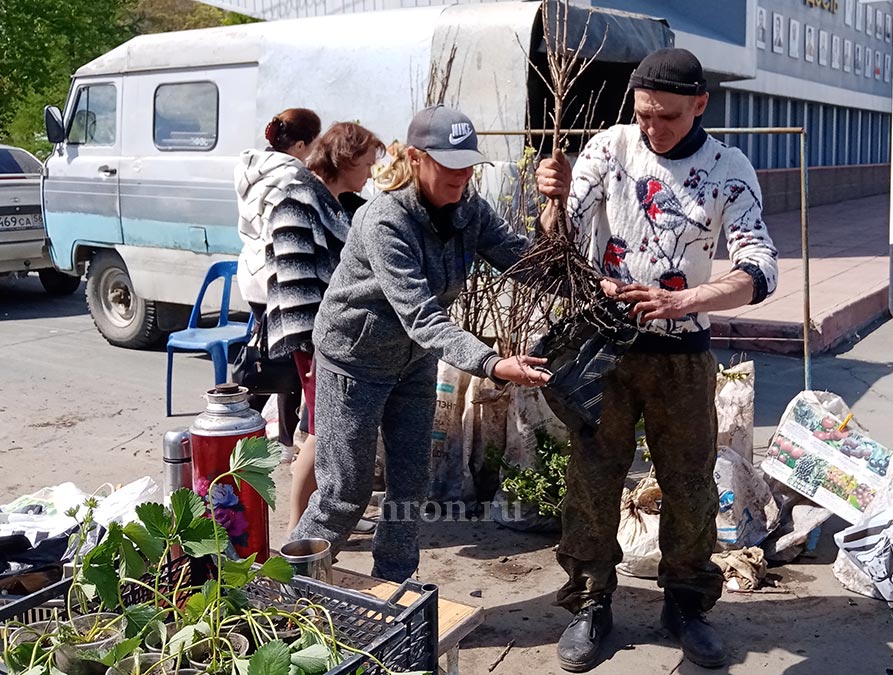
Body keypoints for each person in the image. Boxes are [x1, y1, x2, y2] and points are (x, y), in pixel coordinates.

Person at [535, 48, 778, 671]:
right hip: (603, 348)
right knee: (592, 476)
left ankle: (687, 605)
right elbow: (555, 241)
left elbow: (760, 266)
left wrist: (690, 299)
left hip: (682, 356)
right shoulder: (608, 148)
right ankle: (590, 603)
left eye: (667, 116)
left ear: (700, 105)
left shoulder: (729, 168)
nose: (653, 128)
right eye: (644, 114)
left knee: (691, 484)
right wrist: (550, 200)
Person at [288, 105, 552, 582]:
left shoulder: (469, 210)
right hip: (354, 361)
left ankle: (395, 584)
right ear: (415, 157)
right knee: (344, 493)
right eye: (450, 165)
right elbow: (423, 316)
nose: (462, 176)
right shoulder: (385, 220)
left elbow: (522, 259)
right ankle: (298, 594)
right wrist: (492, 364)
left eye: (469, 164)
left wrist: (592, 285)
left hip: (412, 363)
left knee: (411, 485)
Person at [261, 122, 386, 532]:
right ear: (345, 159)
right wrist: (317, 349)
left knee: (320, 432)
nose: (370, 172)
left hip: (331, 339)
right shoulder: (297, 197)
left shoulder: (334, 201)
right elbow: (295, 281)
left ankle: (323, 521)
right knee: (319, 434)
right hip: (315, 340)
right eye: (366, 163)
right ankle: (300, 539)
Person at [235, 107, 321, 460]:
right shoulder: (292, 176)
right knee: (290, 359)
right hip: (278, 274)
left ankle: (247, 427)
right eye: (313, 143)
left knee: (272, 355)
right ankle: (280, 438)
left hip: (252, 272)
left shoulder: (250, 168)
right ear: (301, 144)